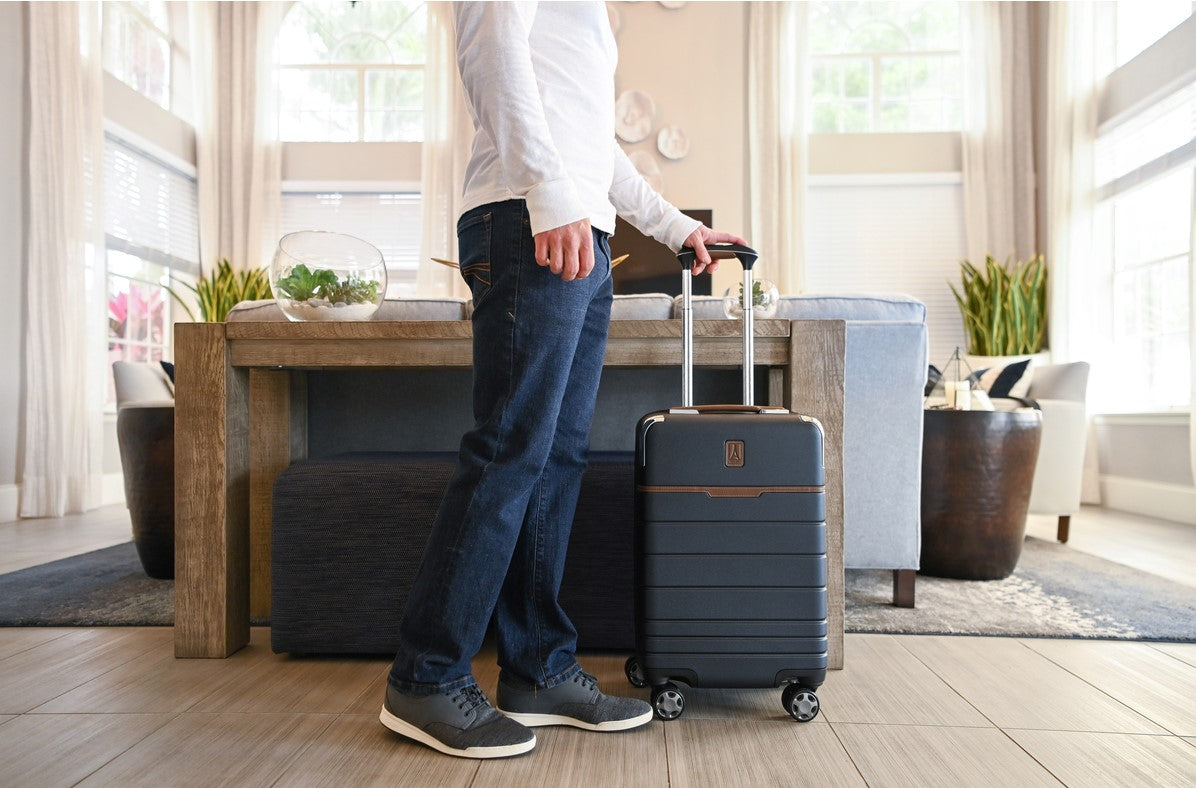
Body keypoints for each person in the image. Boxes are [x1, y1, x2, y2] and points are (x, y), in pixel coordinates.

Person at [381, 1, 746, 759]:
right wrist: (548, 192)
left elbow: (592, 144)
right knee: (510, 450)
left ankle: (538, 668)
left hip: (578, 227)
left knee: (556, 460)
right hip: (529, 220)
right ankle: (426, 677)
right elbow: (491, 49)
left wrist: (677, 227)